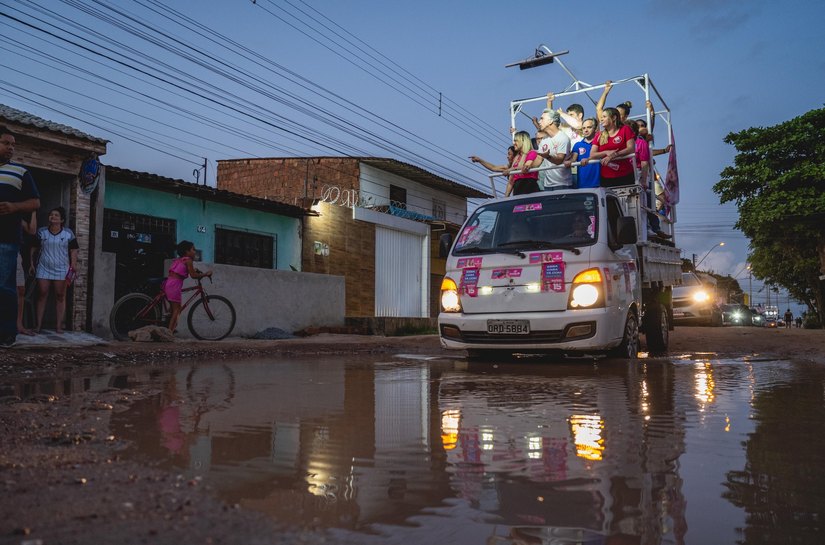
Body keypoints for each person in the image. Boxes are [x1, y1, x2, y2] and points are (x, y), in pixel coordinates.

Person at [0, 127, 40, 348]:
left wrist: (15, 206)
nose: (11, 148)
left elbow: (35, 202)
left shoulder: (20, 172)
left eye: (13, 144)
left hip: (7, 238)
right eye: (6, 143)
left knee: (5, 286)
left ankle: (7, 333)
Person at [31, 207, 78, 334]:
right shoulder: (42, 232)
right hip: (43, 267)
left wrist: (73, 266)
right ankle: (38, 326)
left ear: (62, 219)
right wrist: (31, 263)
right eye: (51, 215)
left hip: (62, 269)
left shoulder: (68, 234)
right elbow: (34, 248)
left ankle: (58, 326)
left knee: (60, 296)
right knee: (42, 294)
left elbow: (74, 250)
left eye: (56, 215)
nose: (53, 217)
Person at [164, 240, 212, 333]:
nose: (195, 251)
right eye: (193, 249)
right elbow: (193, 275)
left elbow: (186, 269)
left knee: (173, 309)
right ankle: (169, 333)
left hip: (169, 283)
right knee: (177, 310)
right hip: (175, 285)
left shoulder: (180, 259)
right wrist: (206, 274)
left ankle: (167, 328)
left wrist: (195, 270)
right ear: (187, 251)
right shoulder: (188, 260)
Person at [581, 107, 636, 188]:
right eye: (601, 117)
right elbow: (592, 154)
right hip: (606, 177)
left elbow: (631, 148)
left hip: (625, 174)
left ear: (614, 117)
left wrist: (614, 155)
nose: (601, 119)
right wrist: (606, 153)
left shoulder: (625, 129)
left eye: (604, 117)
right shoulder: (599, 135)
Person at [471, 131, 539, 196]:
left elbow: (526, 166)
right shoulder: (516, 158)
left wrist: (511, 169)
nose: (514, 143)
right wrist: (505, 198)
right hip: (518, 190)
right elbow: (510, 181)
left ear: (523, 141)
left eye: (516, 141)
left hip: (529, 187)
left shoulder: (532, 153)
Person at [531, 110, 572, 191]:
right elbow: (539, 159)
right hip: (547, 185)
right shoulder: (544, 139)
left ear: (550, 121)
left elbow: (559, 160)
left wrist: (548, 156)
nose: (539, 122)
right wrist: (528, 166)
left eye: (542, 119)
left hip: (562, 184)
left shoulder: (563, 138)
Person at [564, 117, 600, 188]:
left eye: (589, 127)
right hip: (583, 184)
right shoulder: (578, 145)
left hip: (600, 182)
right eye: (583, 128)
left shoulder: (601, 142)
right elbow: (573, 159)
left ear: (595, 129)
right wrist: (568, 162)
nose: (586, 130)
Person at [16, 211, 36, 336]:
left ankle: (19, 325)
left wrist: (33, 211)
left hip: (14, 251)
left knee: (21, 289)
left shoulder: (13, 214)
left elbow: (32, 230)